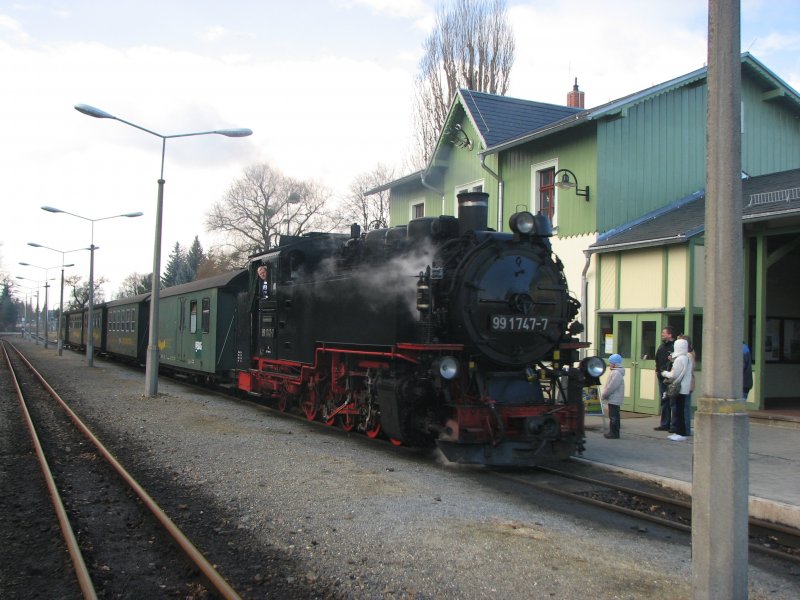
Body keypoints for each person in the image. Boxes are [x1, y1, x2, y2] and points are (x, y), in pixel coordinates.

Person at [660, 337, 692, 441]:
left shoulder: (679, 359)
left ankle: (680, 432)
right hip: (684, 387)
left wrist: (664, 373)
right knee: (680, 410)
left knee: (678, 411)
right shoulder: (687, 357)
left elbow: (674, 375)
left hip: (679, 387)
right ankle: (679, 431)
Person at [654, 326, 675, 431]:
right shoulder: (661, 347)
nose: (662, 335)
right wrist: (658, 370)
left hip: (671, 378)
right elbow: (657, 359)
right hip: (661, 376)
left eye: (664, 333)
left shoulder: (674, 347)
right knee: (664, 399)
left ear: (669, 335)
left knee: (672, 401)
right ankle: (664, 423)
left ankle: (673, 424)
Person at [602, 353, 625, 439]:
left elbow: (612, 386)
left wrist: (604, 394)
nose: (609, 365)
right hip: (615, 398)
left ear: (615, 364)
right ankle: (614, 432)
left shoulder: (616, 373)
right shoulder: (616, 372)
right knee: (614, 416)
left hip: (614, 398)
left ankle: (614, 433)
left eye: (611, 363)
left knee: (613, 416)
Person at [677, 334, 696, 437]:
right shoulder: (686, 355)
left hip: (686, 384)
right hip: (685, 383)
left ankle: (685, 429)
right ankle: (682, 428)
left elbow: (687, 370)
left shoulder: (688, 355)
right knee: (683, 407)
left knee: (685, 407)